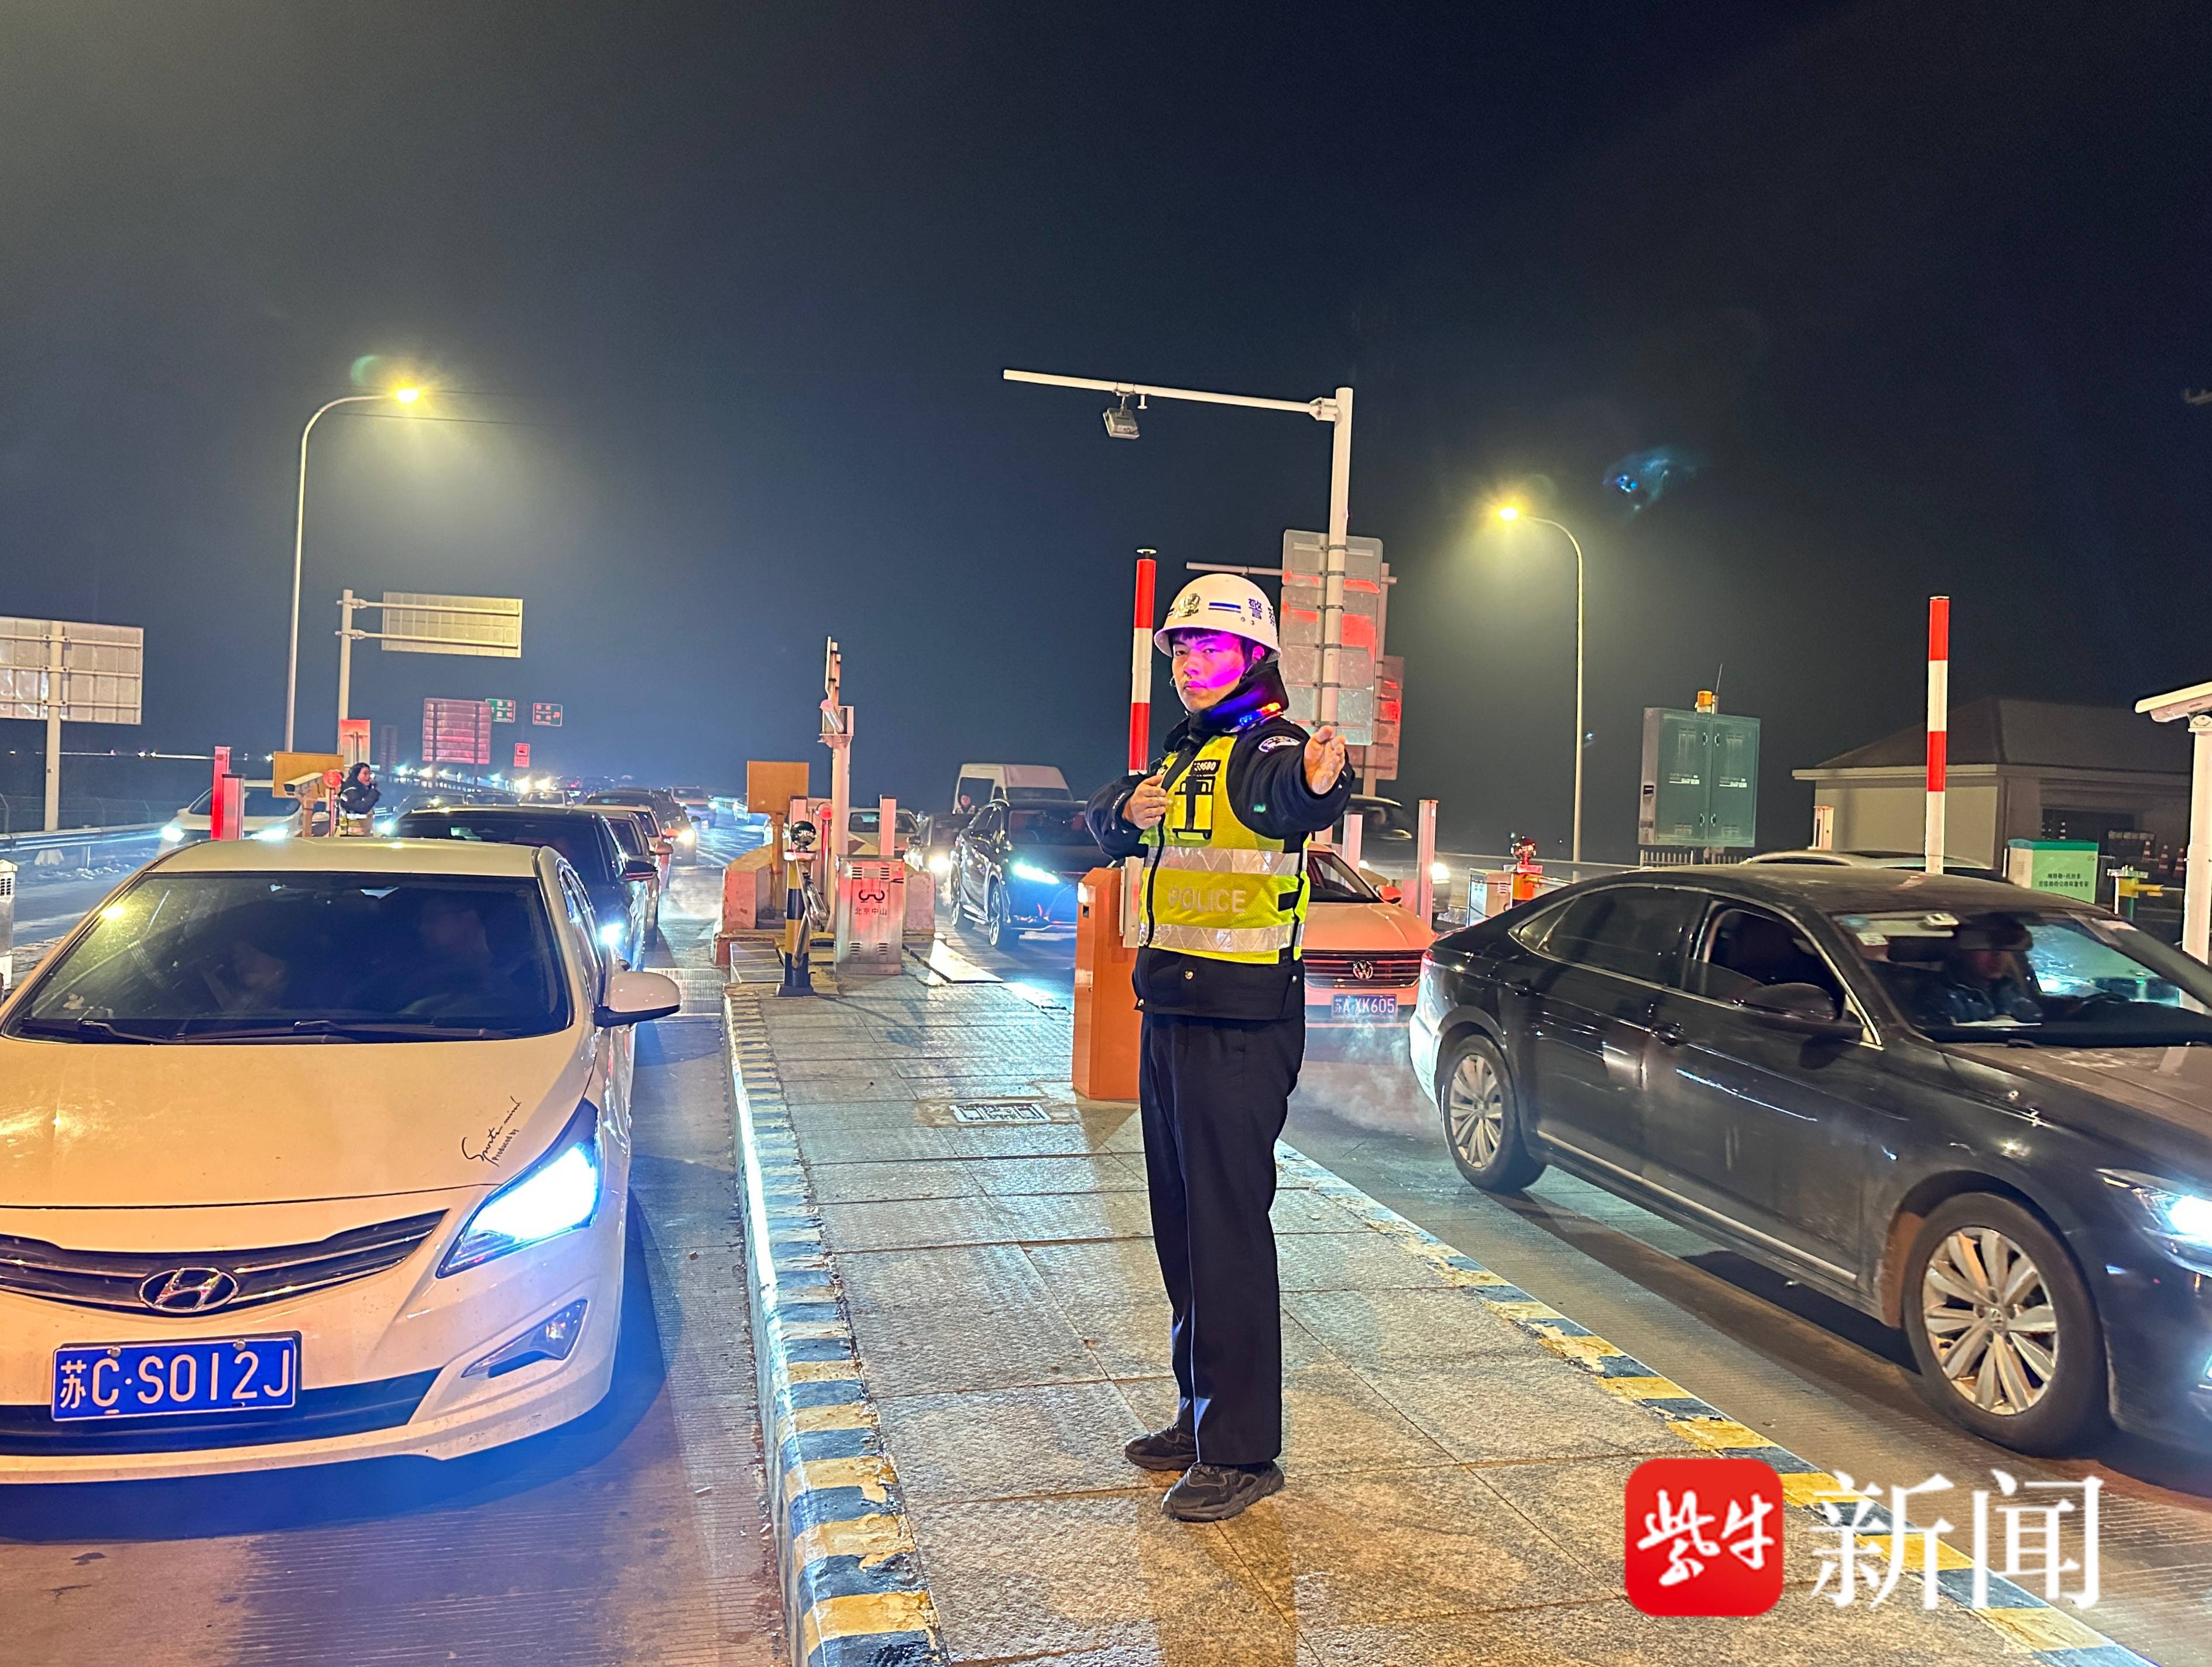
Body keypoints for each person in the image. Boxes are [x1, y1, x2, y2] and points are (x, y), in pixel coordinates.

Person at [1085, 572, 1351, 1522]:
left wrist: (1318, 781)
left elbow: (1292, 796)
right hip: (1171, 1011)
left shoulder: (1267, 745)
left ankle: (1241, 1451)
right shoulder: (1186, 750)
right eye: (1182, 649)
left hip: (1239, 1026)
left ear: (1253, 655)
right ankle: (1200, 1416)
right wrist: (1124, 811)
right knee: (1181, 1229)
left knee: (1226, 1235)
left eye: (1209, 647)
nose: (1191, 664)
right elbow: (1104, 820)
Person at [1918, 914, 2043, 1026]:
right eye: (1985, 944)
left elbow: (2037, 1026)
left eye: (2005, 944)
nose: (1998, 953)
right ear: (1958, 950)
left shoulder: (2011, 989)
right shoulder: (1938, 998)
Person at [337, 763, 380, 834]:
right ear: (356, 775)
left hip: (363, 834)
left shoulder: (363, 792)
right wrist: (374, 793)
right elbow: (362, 808)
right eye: (365, 774)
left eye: (369, 774)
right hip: (352, 835)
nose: (368, 777)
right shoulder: (350, 792)